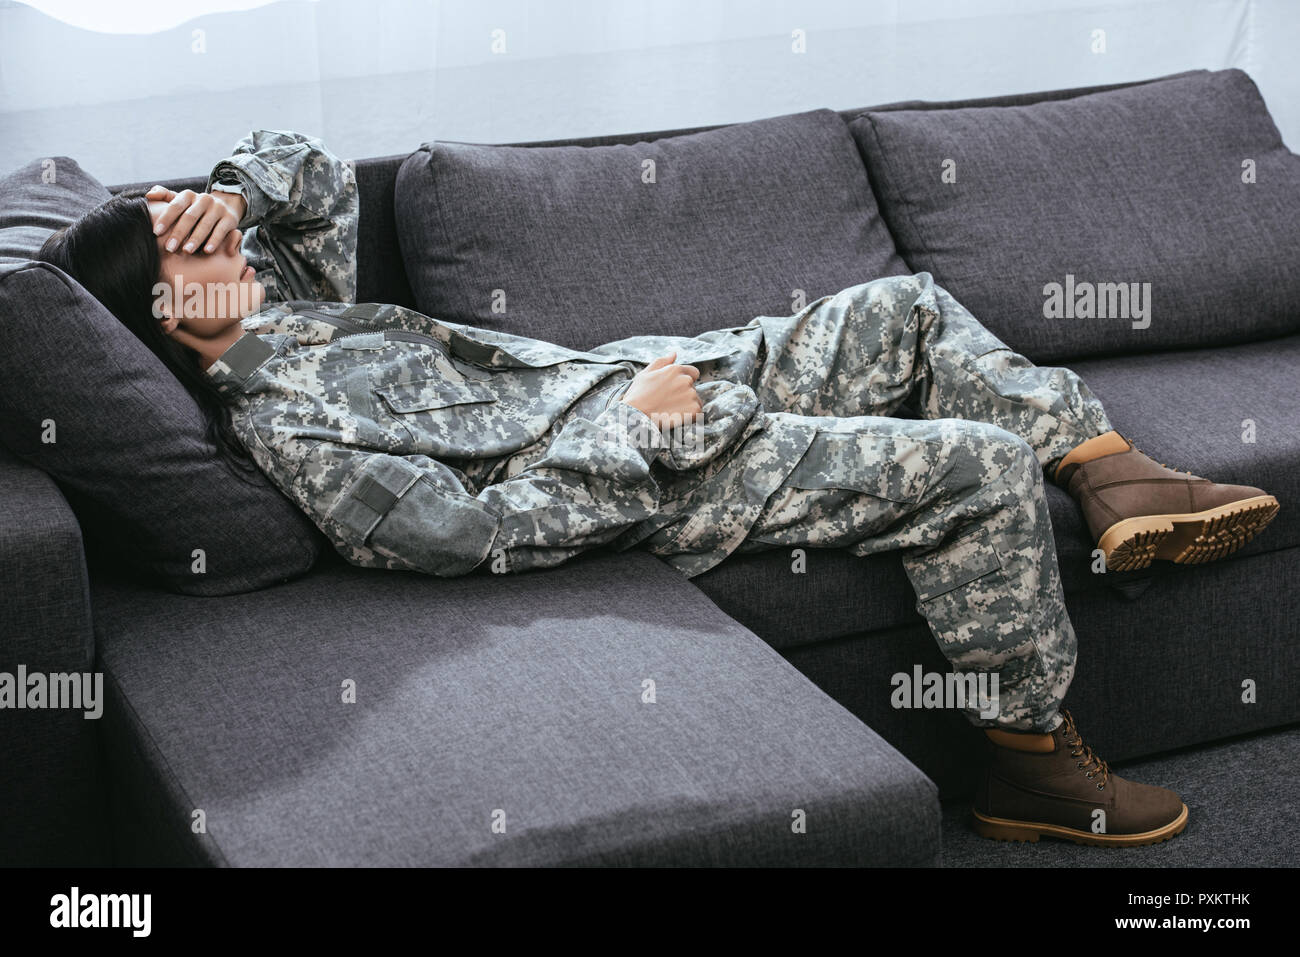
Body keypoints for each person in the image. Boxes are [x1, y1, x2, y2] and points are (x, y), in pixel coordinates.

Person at [38, 130, 1280, 848]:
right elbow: (452, 536)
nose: (236, 260)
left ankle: (1112, 474)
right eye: (205, 265)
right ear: (170, 316)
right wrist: (633, 438)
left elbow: (306, 174)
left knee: (901, 312)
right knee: (969, 464)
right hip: (665, 472)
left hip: (654, 373)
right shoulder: (280, 418)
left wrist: (214, 198)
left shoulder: (283, 323)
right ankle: (1032, 762)